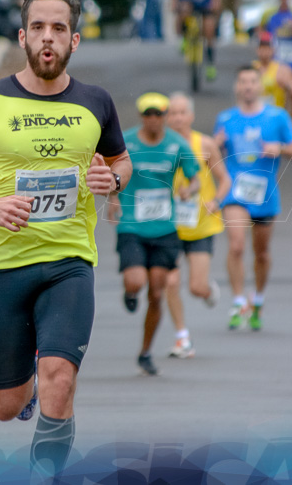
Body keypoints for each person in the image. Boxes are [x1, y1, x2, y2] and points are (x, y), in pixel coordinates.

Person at [0, 0, 132, 481]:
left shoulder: (95, 102)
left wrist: (113, 179)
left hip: (69, 265)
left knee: (60, 375)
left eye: (58, 29)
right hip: (2, 268)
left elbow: (121, 161)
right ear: (21, 36)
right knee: (4, 404)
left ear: (74, 41)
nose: (47, 38)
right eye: (38, 27)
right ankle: (26, 392)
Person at [108, 92, 199, 376]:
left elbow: (194, 176)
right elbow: (112, 171)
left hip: (164, 227)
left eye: (159, 114)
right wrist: (112, 196)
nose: (154, 120)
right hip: (133, 225)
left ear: (165, 116)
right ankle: (130, 291)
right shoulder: (128, 142)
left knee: (157, 292)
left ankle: (145, 351)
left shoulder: (176, 144)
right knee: (136, 281)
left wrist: (189, 189)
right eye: (148, 114)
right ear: (141, 117)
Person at [214, 66, 292, 332]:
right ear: (237, 87)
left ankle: (259, 298)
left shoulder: (277, 117)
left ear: (261, 86)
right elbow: (214, 155)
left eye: (253, 81)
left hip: (265, 192)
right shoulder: (226, 118)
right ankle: (239, 301)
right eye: (243, 82)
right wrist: (214, 146)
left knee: (261, 253)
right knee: (237, 246)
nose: (248, 86)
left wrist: (280, 148)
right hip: (235, 191)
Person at [163, 92, 231, 359]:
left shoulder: (204, 144)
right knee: (170, 281)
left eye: (182, 113)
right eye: (173, 113)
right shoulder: (160, 146)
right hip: (169, 226)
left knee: (196, 287)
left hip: (200, 225)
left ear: (191, 116)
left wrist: (215, 201)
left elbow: (225, 180)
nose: (177, 118)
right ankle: (182, 338)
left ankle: (208, 290)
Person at [253, 31, 292, 123]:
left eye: (267, 48)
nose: (264, 51)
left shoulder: (283, 71)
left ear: (274, 49)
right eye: (262, 47)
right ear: (257, 49)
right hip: (254, 119)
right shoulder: (251, 69)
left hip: (275, 120)